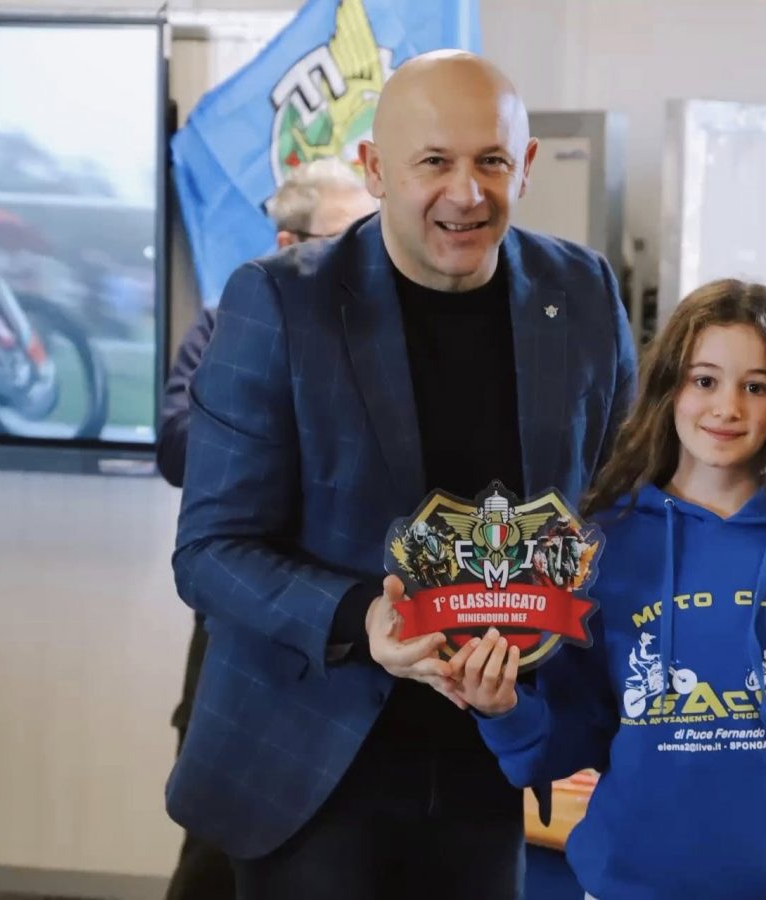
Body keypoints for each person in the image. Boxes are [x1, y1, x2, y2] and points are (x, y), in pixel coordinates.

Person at [166, 49, 636, 900]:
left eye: (491, 160)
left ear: (526, 166)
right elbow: (210, 552)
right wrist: (364, 615)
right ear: (376, 169)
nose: (467, 192)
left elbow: (623, 509)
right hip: (312, 767)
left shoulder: (584, 293)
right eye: (434, 162)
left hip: (493, 757)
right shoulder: (280, 303)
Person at [455, 279, 766, 900]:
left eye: (756, 387)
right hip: (631, 887)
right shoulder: (601, 547)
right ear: (669, 389)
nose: (727, 408)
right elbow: (569, 734)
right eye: (705, 380)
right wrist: (502, 709)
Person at [156, 156, 378, 900]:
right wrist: (268, 429)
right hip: (244, 636)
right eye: (344, 240)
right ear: (289, 245)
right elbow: (176, 444)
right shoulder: (230, 324)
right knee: (218, 857)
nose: (367, 259)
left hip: (362, 645)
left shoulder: (386, 341)